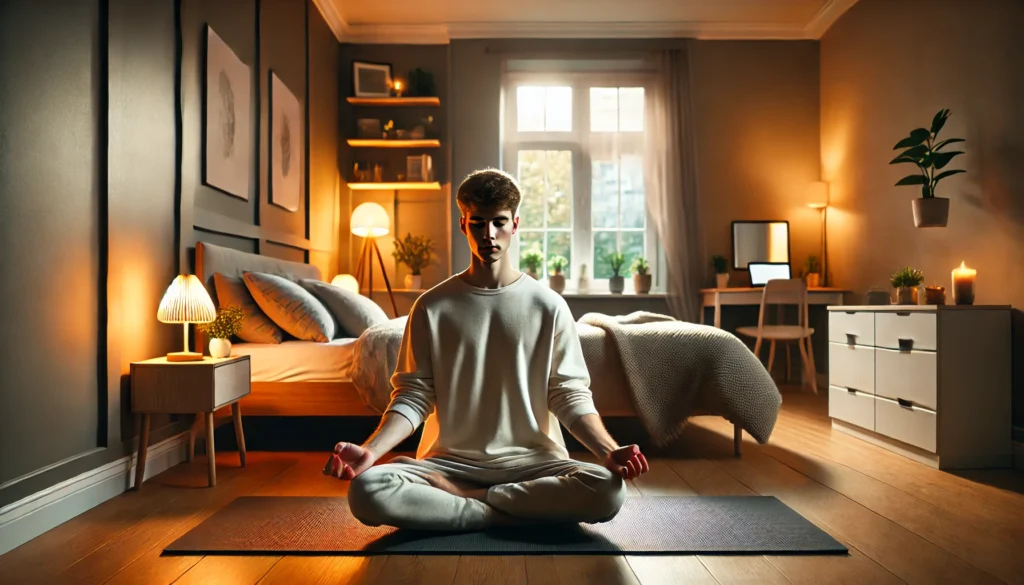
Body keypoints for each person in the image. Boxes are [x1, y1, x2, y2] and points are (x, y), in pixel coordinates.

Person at [324, 168, 649, 531]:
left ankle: (466, 505)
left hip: (534, 463)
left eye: (498, 223)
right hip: (449, 464)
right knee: (367, 490)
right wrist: (370, 452)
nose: (488, 235)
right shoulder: (432, 306)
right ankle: (514, 511)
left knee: (606, 490)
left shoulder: (549, 306)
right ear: (463, 224)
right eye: (477, 223)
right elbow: (413, 397)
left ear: (515, 224)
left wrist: (608, 451)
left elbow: (568, 395)